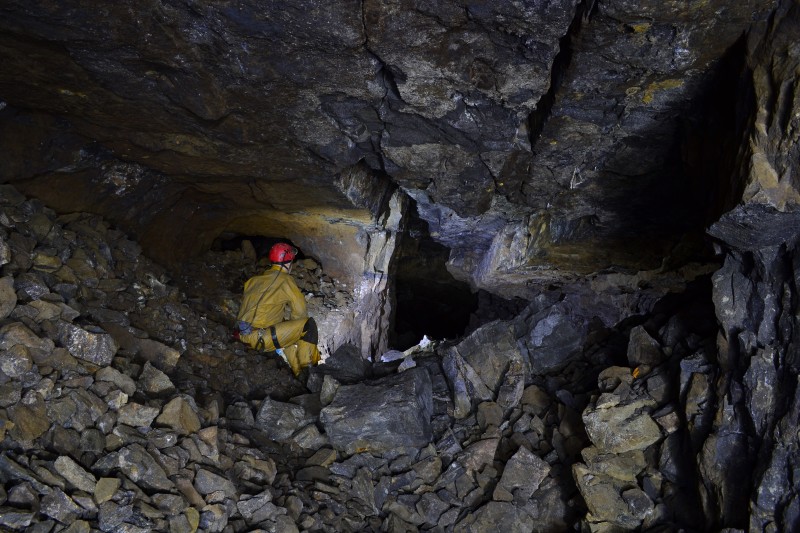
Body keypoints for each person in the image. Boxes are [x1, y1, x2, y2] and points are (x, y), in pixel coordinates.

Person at [234, 242, 321, 376]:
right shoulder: (285, 280)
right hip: (259, 338)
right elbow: (300, 312)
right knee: (307, 326)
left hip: (241, 334)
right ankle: (310, 371)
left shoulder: (254, 280)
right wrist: (297, 332)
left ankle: (298, 373)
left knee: (285, 329)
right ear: (288, 263)